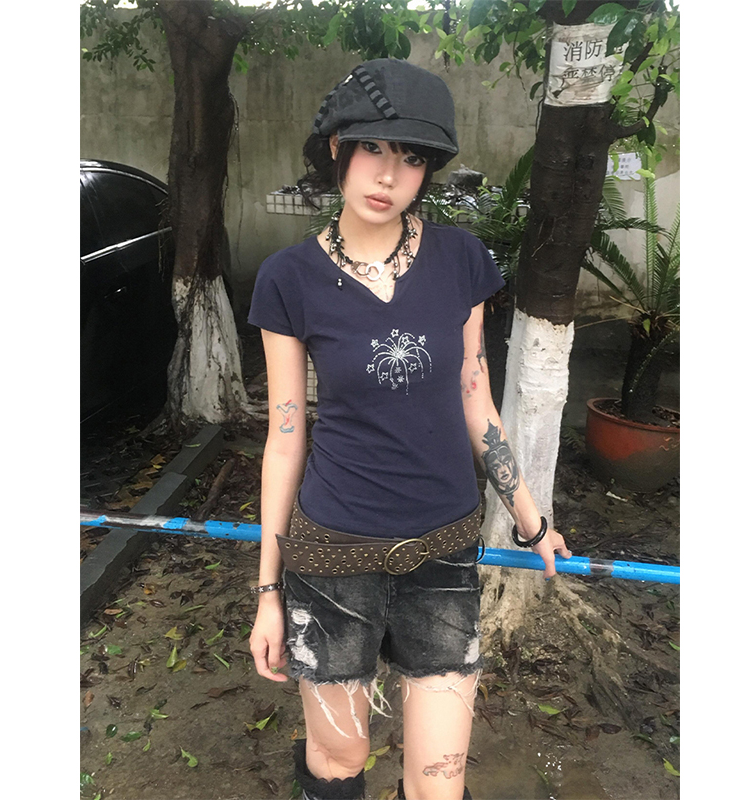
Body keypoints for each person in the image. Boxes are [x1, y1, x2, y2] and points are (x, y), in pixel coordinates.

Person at [247, 58, 571, 800]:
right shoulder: (288, 278)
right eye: (372, 148)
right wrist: (268, 592)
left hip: (443, 553)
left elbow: (475, 396)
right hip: (331, 558)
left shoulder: (460, 260)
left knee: (438, 782)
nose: (389, 175)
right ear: (337, 148)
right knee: (341, 757)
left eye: (412, 157)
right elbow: (286, 437)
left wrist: (531, 520)